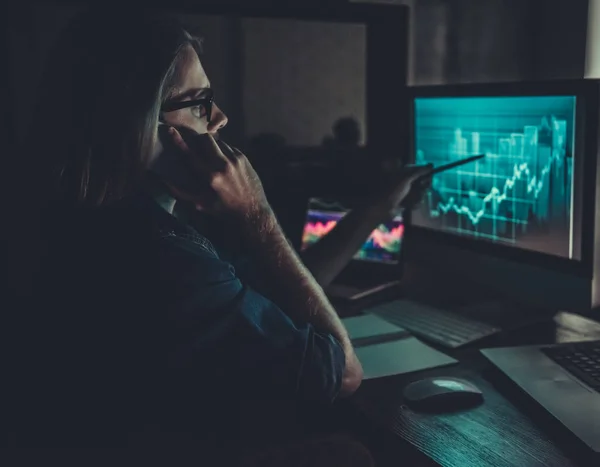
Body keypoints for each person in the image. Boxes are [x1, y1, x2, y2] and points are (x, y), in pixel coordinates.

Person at [9, 6, 431, 461]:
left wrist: (377, 208)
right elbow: (345, 374)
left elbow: (284, 286)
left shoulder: (97, 221)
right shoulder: (164, 259)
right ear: (139, 125)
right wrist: (257, 215)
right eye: (198, 103)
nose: (220, 118)